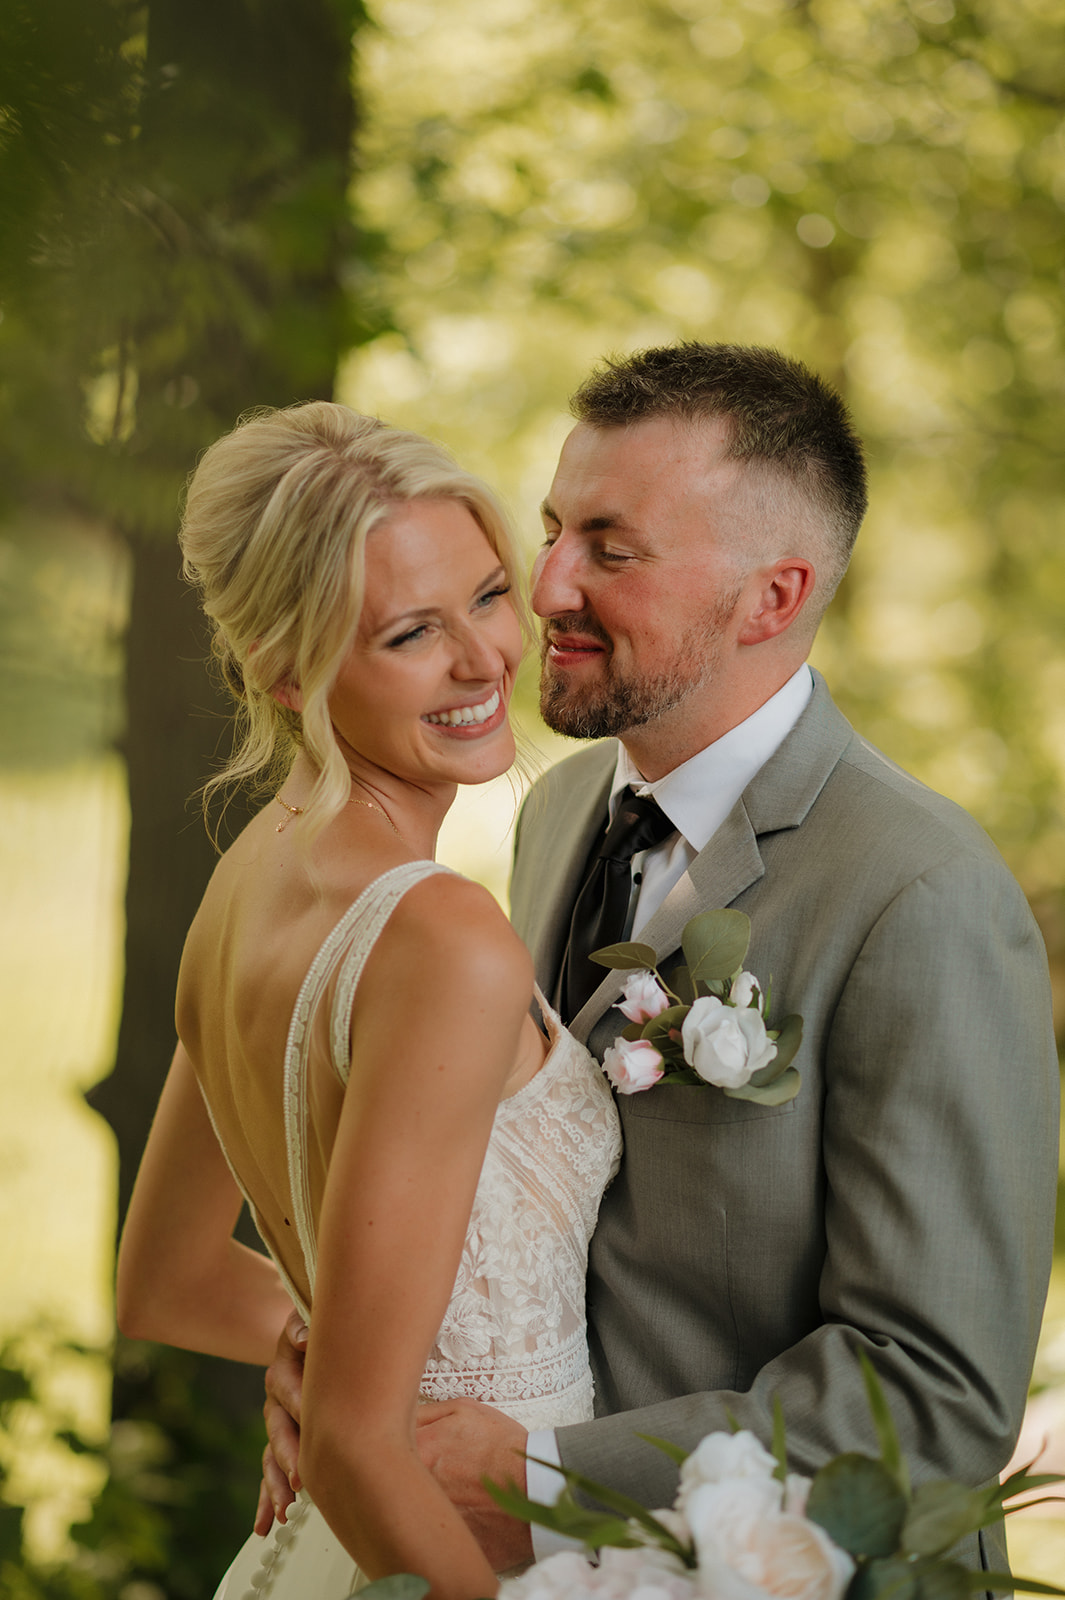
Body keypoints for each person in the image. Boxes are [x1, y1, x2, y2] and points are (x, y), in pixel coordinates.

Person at [259, 344, 1059, 1588]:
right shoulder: (560, 806)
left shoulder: (922, 895)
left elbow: (936, 1394)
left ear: (770, 596)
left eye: (610, 550)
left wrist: (545, 1474)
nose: (546, 586)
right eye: (553, 530)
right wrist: (346, 1361)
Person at [115, 400, 622, 1600]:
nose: (485, 660)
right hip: (449, 1552)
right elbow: (352, 1438)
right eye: (409, 633)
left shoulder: (245, 885)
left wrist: (320, 1350)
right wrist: (352, 1399)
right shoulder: (441, 938)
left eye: (490, 596)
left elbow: (169, 1279)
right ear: (284, 672)